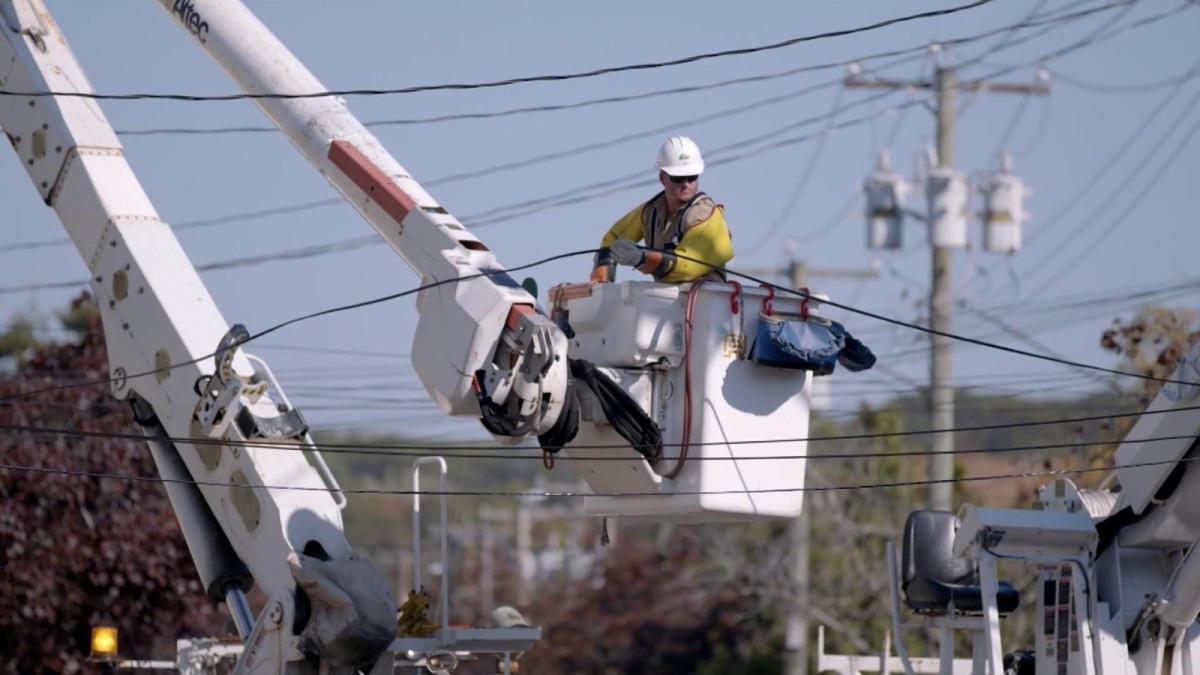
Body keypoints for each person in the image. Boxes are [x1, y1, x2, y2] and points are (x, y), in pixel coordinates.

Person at [591, 136, 734, 283]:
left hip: (705, 301)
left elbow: (687, 266)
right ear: (662, 178)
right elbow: (613, 238)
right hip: (667, 300)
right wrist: (602, 277)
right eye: (678, 178)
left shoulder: (706, 215)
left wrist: (643, 259)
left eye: (691, 177)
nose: (686, 184)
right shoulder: (651, 212)